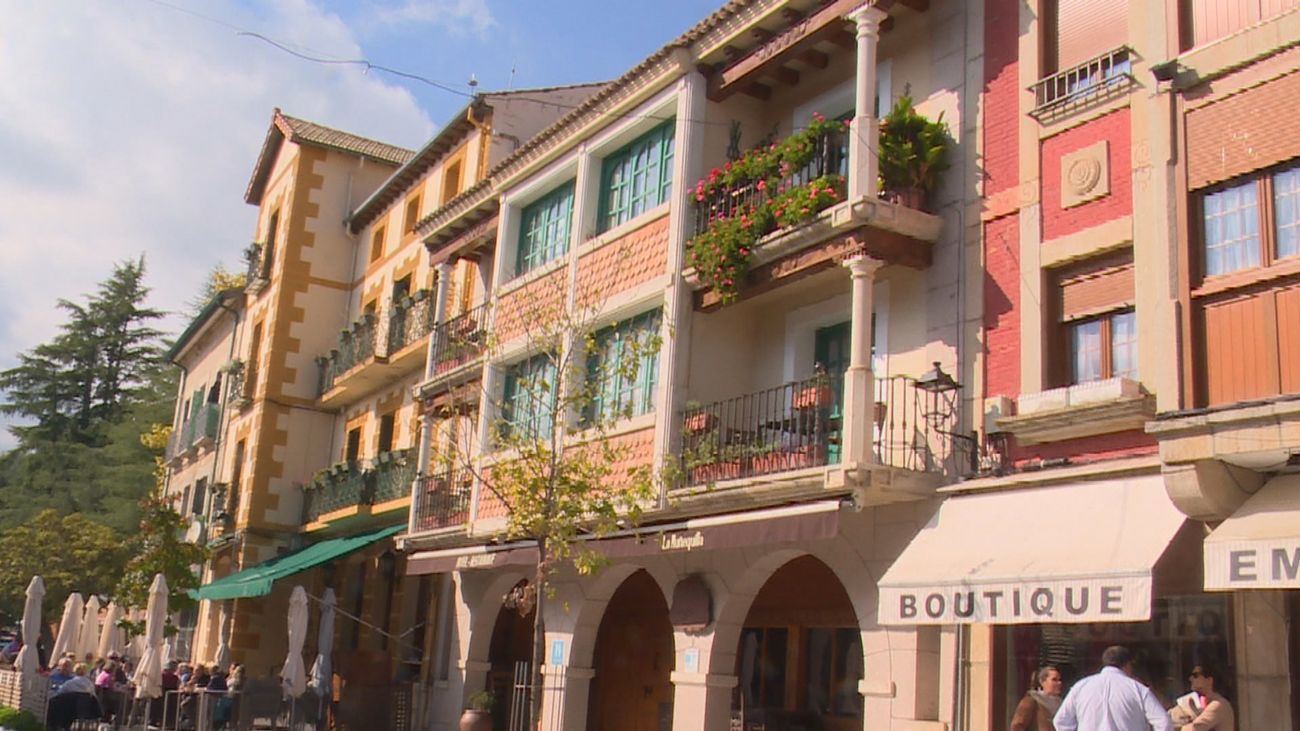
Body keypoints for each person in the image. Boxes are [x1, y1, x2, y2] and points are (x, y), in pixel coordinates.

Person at [1054, 646, 1172, 731]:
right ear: (1128, 665)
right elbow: (1163, 723)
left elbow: (1061, 721)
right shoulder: (1138, 689)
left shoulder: (1080, 687)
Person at [1169, 664, 1235, 730]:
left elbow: (1195, 728)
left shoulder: (1219, 705)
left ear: (1209, 680)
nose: (1190, 679)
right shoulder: (1210, 704)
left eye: (1195, 675)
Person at [1012, 665, 1063, 731]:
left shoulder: (1062, 704)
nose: (1059, 683)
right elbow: (1018, 725)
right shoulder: (1032, 700)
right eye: (1054, 680)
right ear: (1042, 682)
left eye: (1059, 680)